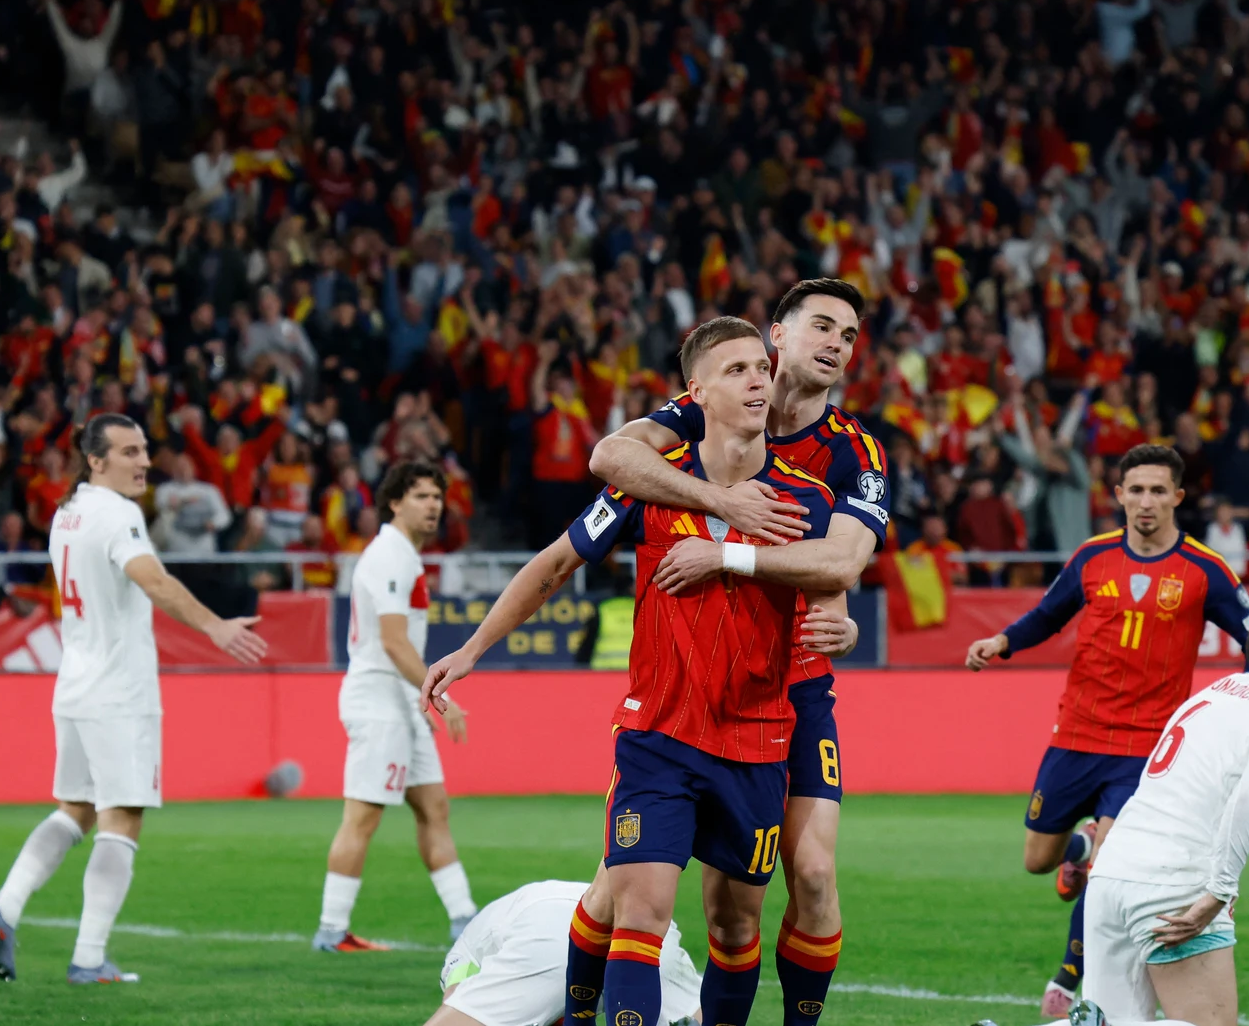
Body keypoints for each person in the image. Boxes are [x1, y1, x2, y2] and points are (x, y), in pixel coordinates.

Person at [422, 316, 863, 1026]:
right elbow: (557, 562)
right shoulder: (650, 486)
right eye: (737, 370)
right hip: (658, 734)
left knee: (734, 925)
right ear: (698, 393)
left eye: (762, 367)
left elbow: (831, 599)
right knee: (641, 908)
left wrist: (841, 627)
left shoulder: (808, 501)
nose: (758, 380)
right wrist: (471, 649)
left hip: (756, 743)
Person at [584, 277, 886, 1026]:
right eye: (822, 325)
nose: (836, 345)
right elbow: (612, 458)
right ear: (775, 335)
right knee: (634, 891)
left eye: (848, 336)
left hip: (796, 685)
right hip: (691, 689)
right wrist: (719, 505)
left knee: (811, 872)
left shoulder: (853, 452)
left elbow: (841, 565)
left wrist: (830, 614)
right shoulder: (705, 405)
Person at [964, 444, 1249, 1017]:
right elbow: (1048, 615)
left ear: (1177, 497)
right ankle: (1075, 847)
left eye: (1157, 491)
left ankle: (1069, 980)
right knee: (1037, 859)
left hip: (1147, 749)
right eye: (1136, 490)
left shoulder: (1205, 570)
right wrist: (1002, 642)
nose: (1145, 502)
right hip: (1076, 734)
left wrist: (1246, 702)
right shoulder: (1093, 557)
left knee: (1111, 866)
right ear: (1118, 495)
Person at [0, 414, 268, 985]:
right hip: (120, 690)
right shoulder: (118, 514)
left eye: (145, 451)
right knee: (122, 816)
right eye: (129, 452)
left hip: (76, 684)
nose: (143, 462)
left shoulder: (67, 513)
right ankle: (89, 958)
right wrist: (216, 627)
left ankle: (4, 909)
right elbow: (152, 580)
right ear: (96, 460)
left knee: (76, 809)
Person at [1067, 608, 1249, 1026]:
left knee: (1111, 1023)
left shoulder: (1213, 694)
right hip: (1174, 883)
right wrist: (1218, 891)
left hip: (1111, 874)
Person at [314, 460, 477, 952]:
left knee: (434, 808)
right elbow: (392, 641)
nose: (433, 506)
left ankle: (464, 919)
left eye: (436, 497)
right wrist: (440, 697)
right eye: (422, 496)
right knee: (362, 816)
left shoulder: (403, 555)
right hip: (379, 699)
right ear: (394, 502)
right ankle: (331, 929)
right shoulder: (389, 555)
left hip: (402, 702)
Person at [425, 876, 703, 1026]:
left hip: (552, 937)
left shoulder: (463, 957)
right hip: (642, 928)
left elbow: (459, 1003)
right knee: (700, 1015)